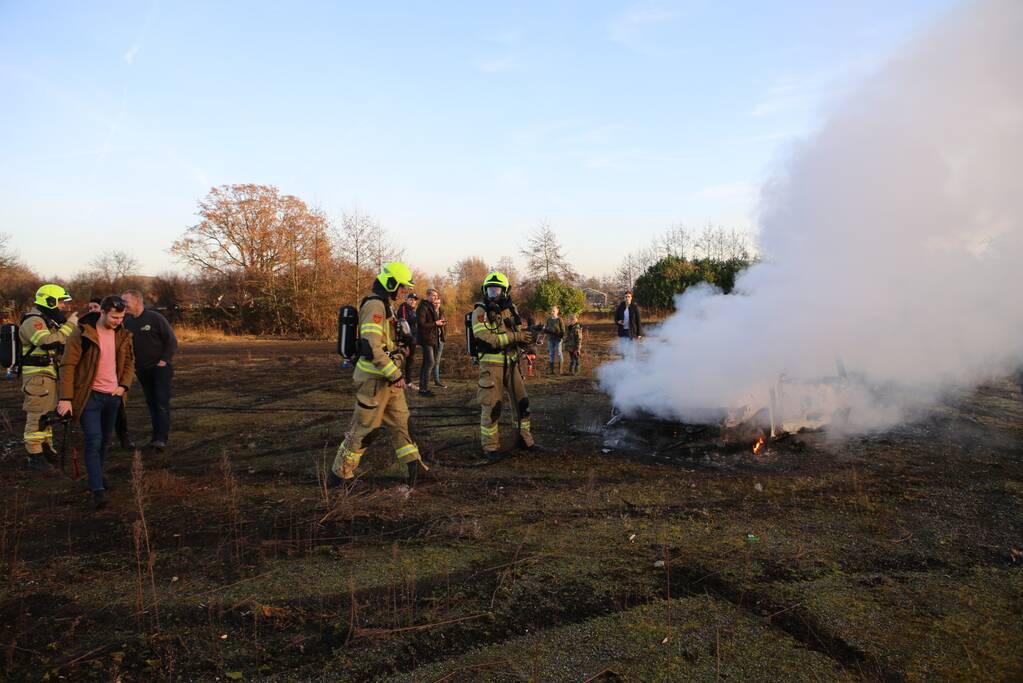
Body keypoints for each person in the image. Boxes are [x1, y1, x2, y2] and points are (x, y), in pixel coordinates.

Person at [328, 262, 427, 488]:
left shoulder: (385, 306)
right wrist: (394, 373)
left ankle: (414, 467)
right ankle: (339, 477)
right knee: (363, 431)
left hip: (388, 381)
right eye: (401, 287)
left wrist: (401, 349)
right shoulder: (374, 306)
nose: (403, 292)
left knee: (401, 424)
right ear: (390, 282)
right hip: (374, 381)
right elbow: (371, 346)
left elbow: (386, 344)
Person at [57, 296, 134, 509]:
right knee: (93, 439)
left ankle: (97, 476)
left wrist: (123, 387)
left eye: (121, 317)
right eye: (115, 317)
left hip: (113, 397)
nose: (118, 321)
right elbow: (68, 365)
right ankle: (97, 488)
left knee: (105, 440)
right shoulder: (82, 332)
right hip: (89, 395)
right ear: (103, 312)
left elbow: (129, 362)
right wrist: (66, 398)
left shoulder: (124, 334)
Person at [471, 271, 537, 459]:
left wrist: (526, 340)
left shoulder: (510, 310)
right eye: (490, 290)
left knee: (522, 403)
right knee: (493, 407)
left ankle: (524, 439)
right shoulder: (480, 312)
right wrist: (516, 336)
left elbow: (516, 333)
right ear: (485, 290)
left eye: (497, 290)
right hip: (491, 368)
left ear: (505, 291)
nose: (494, 293)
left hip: (512, 364)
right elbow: (486, 338)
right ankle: (490, 447)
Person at [18, 284, 77, 471]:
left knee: (47, 416)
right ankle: (34, 455)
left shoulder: (46, 320)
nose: (62, 306)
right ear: (49, 301)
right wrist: (70, 326)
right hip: (37, 378)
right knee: (36, 415)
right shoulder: (33, 320)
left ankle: (46, 449)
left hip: (48, 376)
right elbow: (45, 342)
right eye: (60, 302)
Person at [120, 290, 177, 452]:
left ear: (137, 301)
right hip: (141, 370)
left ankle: (161, 440)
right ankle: (155, 438)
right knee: (151, 404)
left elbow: (171, 341)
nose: (123, 305)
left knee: (160, 403)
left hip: (160, 370)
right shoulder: (127, 323)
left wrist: (163, 361)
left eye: (126, 302)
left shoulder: (155, 318)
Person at [415, 288, 445, 397]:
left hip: (432, 339)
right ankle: (424, 389)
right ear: (427, 295)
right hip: (425, 339)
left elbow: (433, 323)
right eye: (433, 296)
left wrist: (439, 323)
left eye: (436, 296)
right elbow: (421, 324)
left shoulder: (431, 306)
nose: (434, 298)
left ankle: (422, 389)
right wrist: (436, 323)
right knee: (430, 362)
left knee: (426, 363)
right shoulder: (422, 307)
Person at [396, 292, 419, 389]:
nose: (413, 301)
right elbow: (403, 325)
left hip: (412, 339)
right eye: (411, 299)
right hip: (406, 340)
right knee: (400, 360)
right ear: (407, 300)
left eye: (415, 300)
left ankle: (408, 382)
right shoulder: (404, 308)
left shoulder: (412, 310)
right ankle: (398, 381)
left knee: (410, 361)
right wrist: (405, 342)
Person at [543, 305, 566, 375]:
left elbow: (563, 330)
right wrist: (545, 330)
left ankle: (560, 370)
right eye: (551, 311)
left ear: (557, 311)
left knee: (559, 353)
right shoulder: (548, 319)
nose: (552, 312)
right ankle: (551, 370)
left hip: (558, 339)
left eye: (554, 311)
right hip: (550, 339)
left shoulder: (559, 320)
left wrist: (559, 334)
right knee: (551, 353)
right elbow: (545, 328)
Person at [431, 291, 447, 389]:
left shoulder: (442, 312)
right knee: (430, 361)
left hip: (441, 339)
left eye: (438, 303)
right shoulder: (430, 313)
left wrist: (445, 335)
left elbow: (445, 325)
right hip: (432, 340)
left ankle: (436, 381)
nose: (437, 305)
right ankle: (433, 381)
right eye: (435, 303)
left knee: (437, 361)